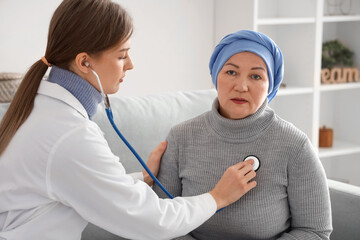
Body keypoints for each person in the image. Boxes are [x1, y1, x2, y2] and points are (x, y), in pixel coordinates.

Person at [0, 1, 258, 239]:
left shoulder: (40, 106)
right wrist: (217, 197)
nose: (131, 64)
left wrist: (141, 179)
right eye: (122, 55)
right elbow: (153, 222)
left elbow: (75, 183)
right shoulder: (69, 136)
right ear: (84, 62)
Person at [153, 30, 333, 239]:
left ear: (270, 86)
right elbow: (164, 222)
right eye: (231, 72)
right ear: (215, 76)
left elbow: (315, 231)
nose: (241, 86)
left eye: (256, 76)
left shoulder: (295, 145)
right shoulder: (180, 138)